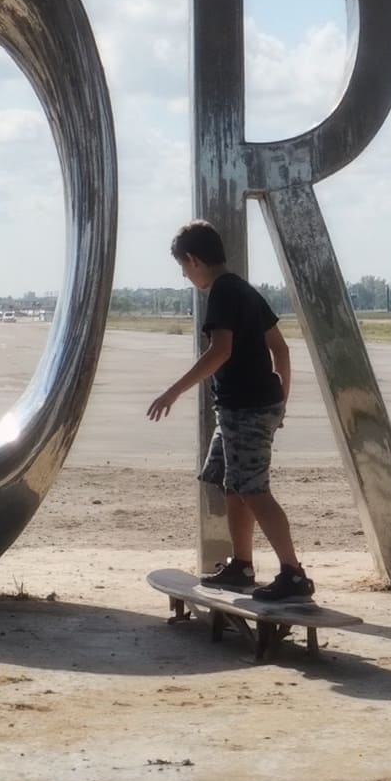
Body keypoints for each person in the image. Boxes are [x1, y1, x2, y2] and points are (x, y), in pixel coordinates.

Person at [145, 219, 314, 602]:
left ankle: (294, 574)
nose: (185, 275)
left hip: (245, 407)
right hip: (251, 406)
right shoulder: (245, 290)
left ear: (193, 259)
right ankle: (242, 565)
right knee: (230, 481)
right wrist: (281, 402)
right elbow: (281, 350)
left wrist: (172, 392)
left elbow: (220, 351)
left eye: (183, 268)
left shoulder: (222, 293)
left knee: (254, 490)